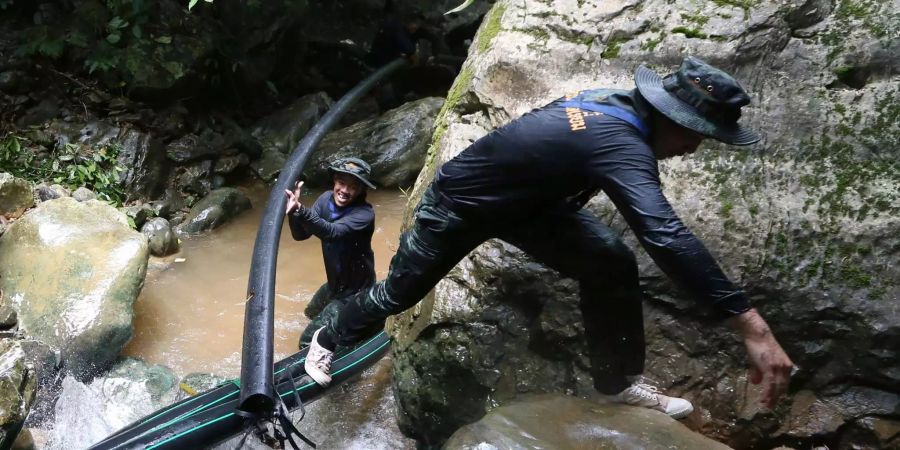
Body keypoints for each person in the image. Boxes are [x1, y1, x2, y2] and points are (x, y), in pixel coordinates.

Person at [304, 56, 795, 418]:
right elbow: (663, 233)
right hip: (457, 205)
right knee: (400, 292)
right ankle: (329, 335)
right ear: (668, 116)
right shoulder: (617, 139)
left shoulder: (619, 106)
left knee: (609, 258)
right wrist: (752, 326)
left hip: (529, 208)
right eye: (695, 133)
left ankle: (615, 382)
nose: (692, 147)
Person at [285, 157, 379, 348]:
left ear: (361, 190)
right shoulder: (325, 200)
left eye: (352, 186)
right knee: (310, 313)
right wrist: (293, 212)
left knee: (306, 341)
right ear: (335, 181)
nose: (344, 191)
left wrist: (302, 210)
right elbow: (300, 235)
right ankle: (338, 334)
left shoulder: (364, 214)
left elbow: (332, 232)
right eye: (341, 183)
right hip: (336, 285)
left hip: (355, 292)